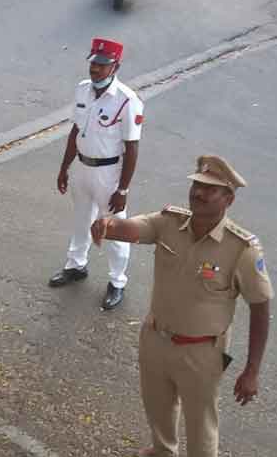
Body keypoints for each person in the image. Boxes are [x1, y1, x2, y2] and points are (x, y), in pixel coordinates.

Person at [90, 155, 272, 457]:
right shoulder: (170, 223)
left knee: (201, 422)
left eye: (210, 189)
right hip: (155, 338)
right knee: (157, 406)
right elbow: (138, 227)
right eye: (197, 185)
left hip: (201, 352)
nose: (198, 192)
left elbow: (261, 307)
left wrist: (252, 370)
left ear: (229, 198)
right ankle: (163, 451)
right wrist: (109, 226)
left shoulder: (242, 250)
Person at [50, 38, 144, 310]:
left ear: (115, 66)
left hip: (109, 173)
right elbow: (75, 131)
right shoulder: (82, 91)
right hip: (82, 167)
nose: (97, 69)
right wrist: (64, 167)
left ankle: (117, 281)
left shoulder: (127, 101)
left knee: (114, 227)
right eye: (94, 63)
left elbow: (132, 147)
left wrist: (123, 189)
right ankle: (76, 265)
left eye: (103, 64)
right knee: (81, 220)